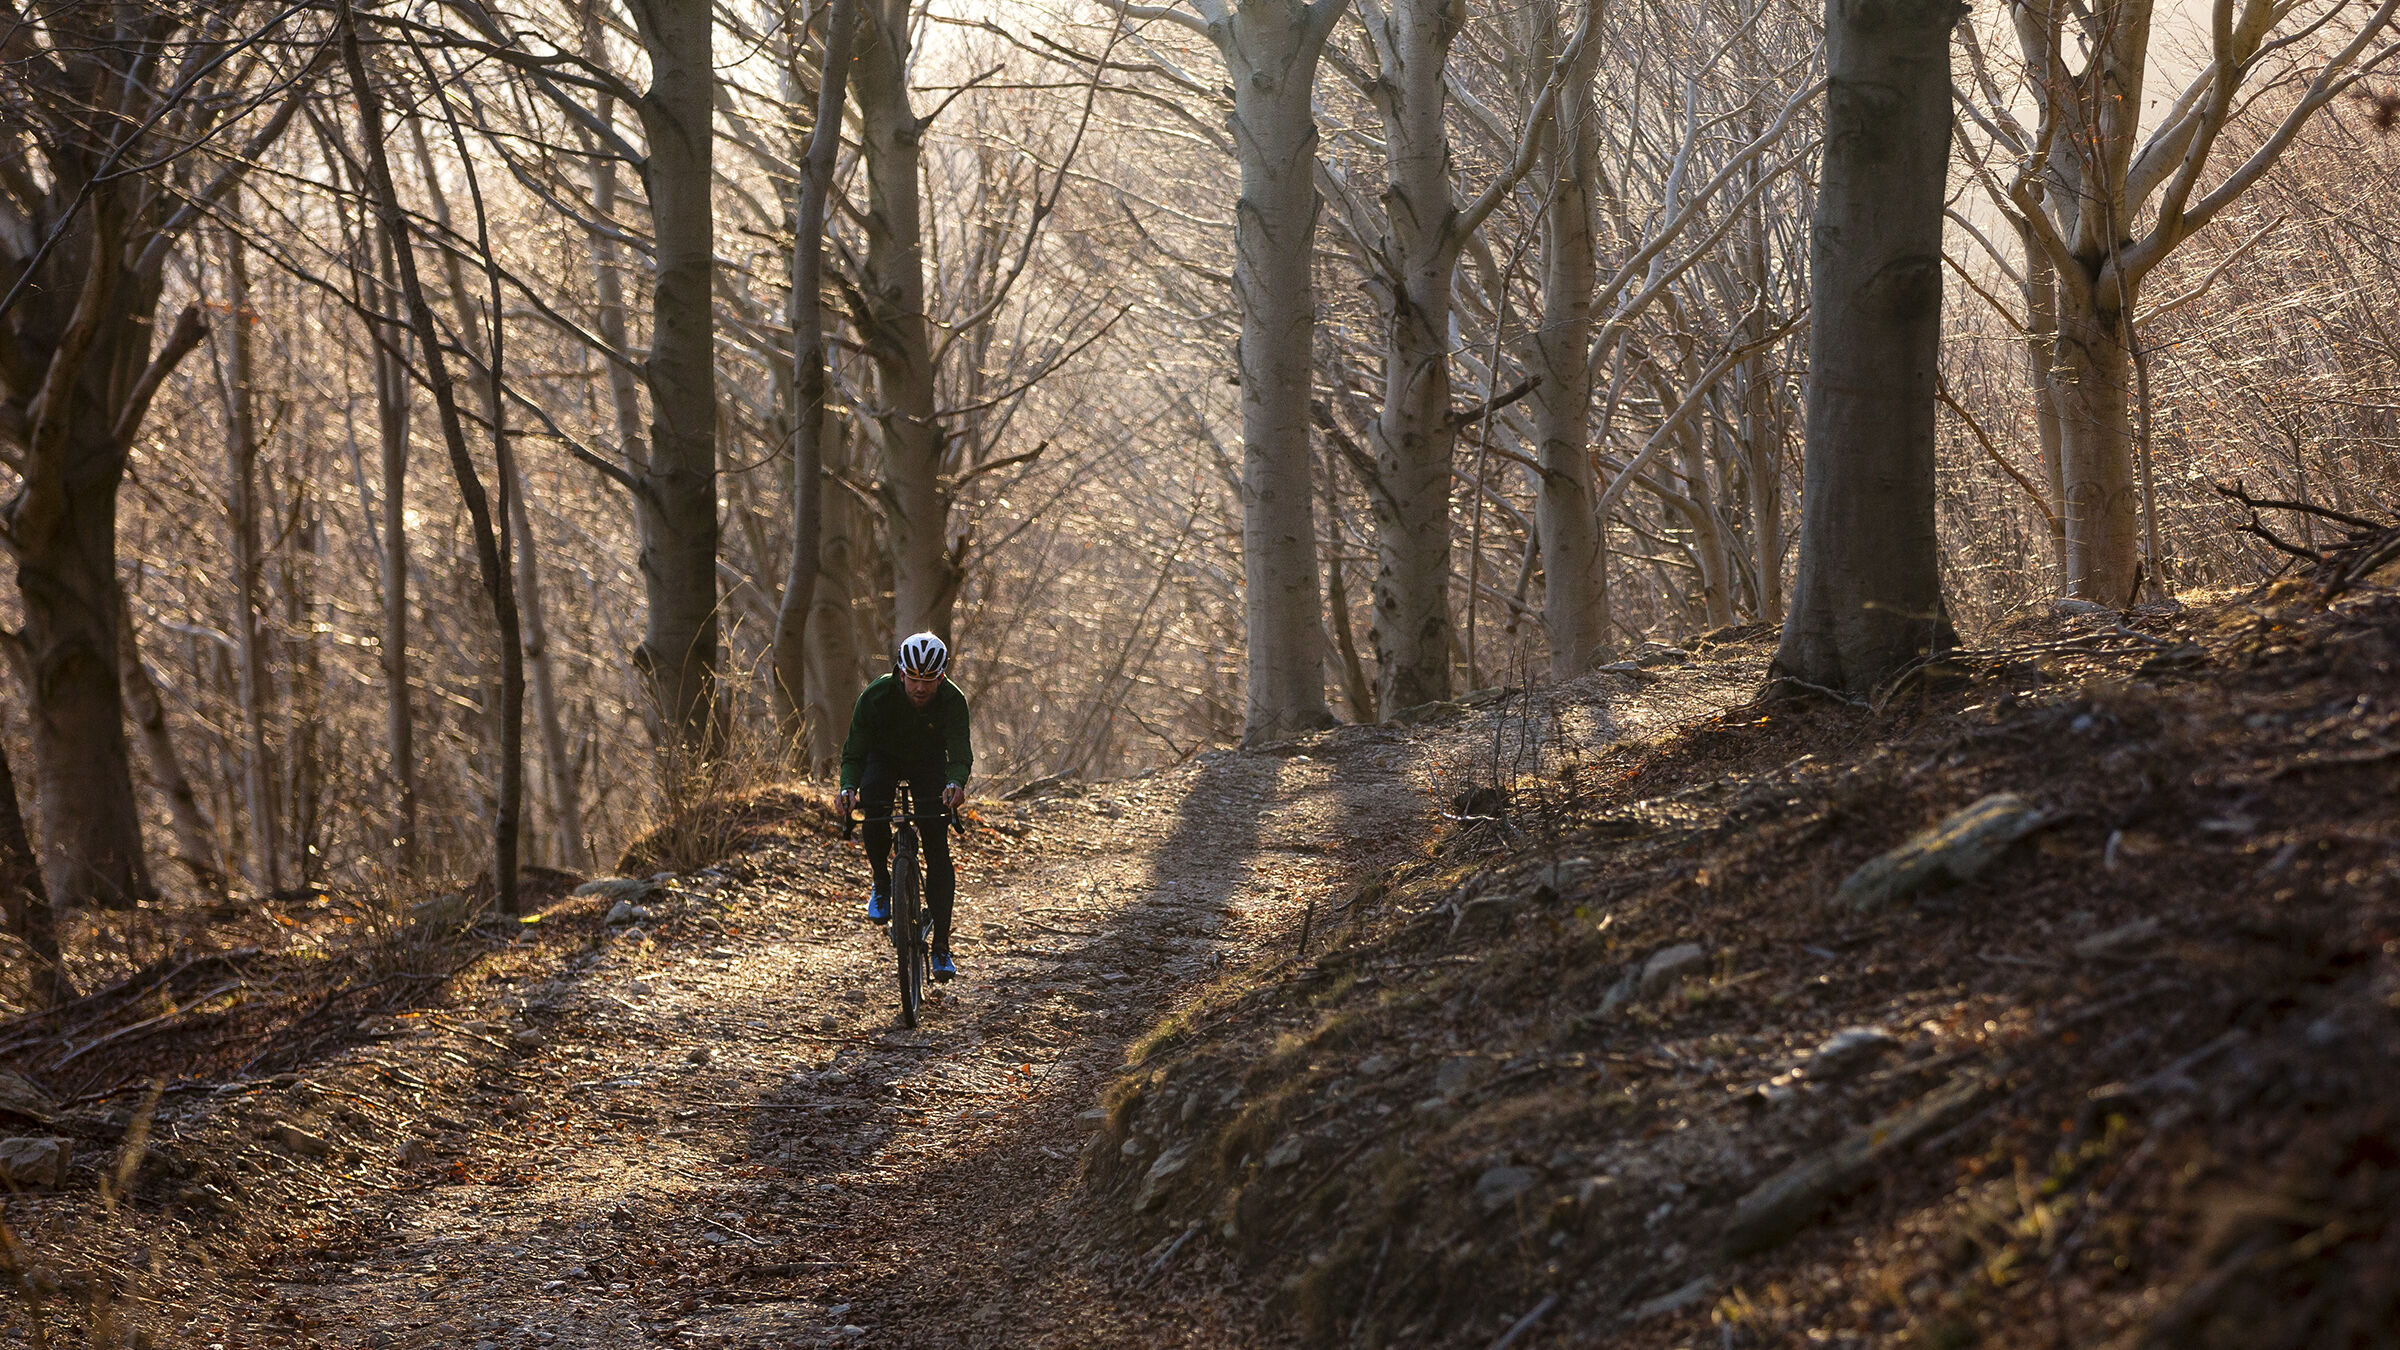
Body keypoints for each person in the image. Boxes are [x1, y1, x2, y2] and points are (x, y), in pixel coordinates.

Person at [834, 632, 972, 981]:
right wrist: (848, 787)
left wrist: (956, 783)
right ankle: (882, 882)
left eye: (929, 680)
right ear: (900, 673)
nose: (920, 688)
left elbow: (959, 752)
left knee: (936, 843)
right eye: (913, 678)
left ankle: (941, 946)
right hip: (884, 757)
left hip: (929, 763)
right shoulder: (876, 696)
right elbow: (854, 752)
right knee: (874, 805)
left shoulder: (953, 701)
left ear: (941, 676)